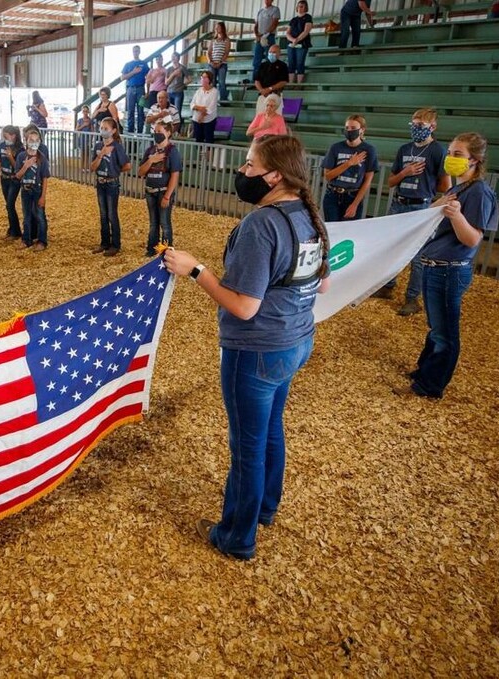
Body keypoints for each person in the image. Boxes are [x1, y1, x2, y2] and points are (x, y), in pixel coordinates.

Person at [161, 135, 330, 561]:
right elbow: (323, 283)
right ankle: (265, 508)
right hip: (297, 339)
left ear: (274, 175)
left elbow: (243, 306)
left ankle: (236, 536)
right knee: (271, 429)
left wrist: (195, 269)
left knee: (247, 448)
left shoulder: (262, 224)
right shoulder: (308, 215)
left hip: (256, 351)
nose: (242, 173)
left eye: (250, 166)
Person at [398, 134, 498, 399]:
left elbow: (472, 238)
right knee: (436, 326)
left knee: (445, 332)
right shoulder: (458, 188)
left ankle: (430, 386)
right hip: (436, 265)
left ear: (474, 161)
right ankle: (424, 371)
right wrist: (441, 205)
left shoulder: (479, 192)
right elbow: (433, 213)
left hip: (450, 268)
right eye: (451, 152)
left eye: (458, 155)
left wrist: (456, 216)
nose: (450, 158)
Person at [375, 108, 449, 315]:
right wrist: (406, 172)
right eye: (413, 125)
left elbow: (445, 184)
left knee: (417, 255)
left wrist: (428, 185)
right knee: (392, 247)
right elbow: (390, 181)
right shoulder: (404, 149)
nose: (415, 129)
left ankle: (412, 297)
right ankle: (388, 286)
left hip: (421, 205)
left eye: (420, 126)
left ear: (432, 127)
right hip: (399, 203)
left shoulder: (437, 151)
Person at [321, 115, 378, 221]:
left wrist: (355, 204)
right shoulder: (335, 147)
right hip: (332, 195)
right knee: (332, 230)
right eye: (347, 128)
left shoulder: (369, 150)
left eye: (353, 128)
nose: (349, 131)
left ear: (362, 130)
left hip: (353, 195)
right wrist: (349, 163)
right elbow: (328, 176)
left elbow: (367, 181)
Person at [139, 120, 182, 257]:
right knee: (153, 222)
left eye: (160, 132)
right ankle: (152, 248)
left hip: (163, 191)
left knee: (165, 222)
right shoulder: (150, 151)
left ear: (168, 132)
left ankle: (166, 251)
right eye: (155, 132)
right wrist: (151, 160)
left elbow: (175, 175)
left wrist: (167, 196)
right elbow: (140, 172)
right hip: (150, 190)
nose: (156, 134)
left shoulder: (172, 151)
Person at [89, 118, 130, 257]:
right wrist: (101, 155)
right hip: (100, 182)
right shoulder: (97, 146)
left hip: (112, 183)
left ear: (113, 131)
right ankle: (104, 242)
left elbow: (127, 165)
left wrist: (115, 171)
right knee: (103, 214)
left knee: (112, 214)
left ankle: (115, 244)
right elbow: (92, 167)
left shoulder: (117, 147)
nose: (103, 130)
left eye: (106, 128)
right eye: (101, 127)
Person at [15, 128, 50, 251]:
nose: (34, 142)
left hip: (37, 189)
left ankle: (42, 241)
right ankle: (26, 240)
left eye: (36, 140)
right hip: (25, 189)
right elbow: (18, 175)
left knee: (40, 216)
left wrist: (43, 196)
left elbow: (45, 177)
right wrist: (26, 166)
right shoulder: (21, 156)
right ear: (26, 140)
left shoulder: (42, 158)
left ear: (40, 141)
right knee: (26, 216)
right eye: (31, 140)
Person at [0, 125, 23, 240]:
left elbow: (18, 167)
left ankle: (15, 232)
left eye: (6, 136)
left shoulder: (20, 149)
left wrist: (10, 157)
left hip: (14, 179)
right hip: (4, 178)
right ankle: (13, 229)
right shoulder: (2, 145)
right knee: (8, 205)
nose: (4, 138)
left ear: (13, 136)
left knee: (10, 205)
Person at [120, 45, 150, 134]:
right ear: (132, 52)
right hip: (130, 89)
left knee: (141, 112)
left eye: (137, 51)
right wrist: (133, 72)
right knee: (130, 111)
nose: (135, 53)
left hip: (140, 89)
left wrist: (148, 91)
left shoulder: (144, 64)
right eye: (134, 51)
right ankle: (130, 132)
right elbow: (122, 77)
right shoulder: (128, 64)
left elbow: (148, 77)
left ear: (139, 52)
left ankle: (140, 133)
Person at [253, 44, 289, 114]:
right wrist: (262, 90)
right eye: (270, 52)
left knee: (275, 117)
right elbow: (257, 80)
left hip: (275, 95)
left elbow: (283, 81)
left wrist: (269, 89)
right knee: (260, 116)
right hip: (262, 95)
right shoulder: (262, 65)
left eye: (274, 52)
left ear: (279, 54)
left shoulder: (283, 66)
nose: (271, 54)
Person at [285, 1, 314, 84]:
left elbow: (306, 31)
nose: (300, 8)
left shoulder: (308, 17)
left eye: (302, 6)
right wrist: (292, 40)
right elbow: (287, 33)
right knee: (291, 64)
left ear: (305, 8)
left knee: (300, 63)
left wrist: (296, 40)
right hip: (291, 44)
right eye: (299, 6)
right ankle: (291, 83)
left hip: (302, 44)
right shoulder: (293, 20)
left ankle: (299, 84)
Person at [252, 0, 281, 81]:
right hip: (259, 37)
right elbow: (256, 25)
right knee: (256, 60)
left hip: (269, 36)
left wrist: (265, 34)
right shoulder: (260, 11)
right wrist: (257, 35)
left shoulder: (275, 9)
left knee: (270, 59)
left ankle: (270, 79)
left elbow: (274, 23)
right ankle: (255, 80)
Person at [191, 71, 220, 145]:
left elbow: (211, 107)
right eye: (202, 77)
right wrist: (200, 108)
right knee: (198, 140)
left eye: (205, 77)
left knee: (209, 141)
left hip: (209, 120)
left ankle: (208, 156)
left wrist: (202, 115)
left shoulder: (214, 92)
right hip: (196, 119)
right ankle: (199, 155)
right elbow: (192, 104)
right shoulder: (198, 91)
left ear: (209, 79)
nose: (202, 79)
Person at [208, 23, 232, 104]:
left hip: (222, 64)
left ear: (222, 28)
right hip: (212, 63)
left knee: (222, 82)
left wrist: (220, 62)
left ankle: (223, 99)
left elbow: (226, 53)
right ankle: (212, 100)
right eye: (216, 27)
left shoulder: (227, 40)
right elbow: (209, 52)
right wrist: (211, 61)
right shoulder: (213, 40)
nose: (216, 28)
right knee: (212, 82)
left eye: (218, 27)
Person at [166, 51, 189, 135]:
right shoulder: (169, 69)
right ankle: (170, 129)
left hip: (178, 92)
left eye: (175, 57)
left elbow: (189, 79)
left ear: (178, 58)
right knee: (169, 111)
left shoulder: (182, 68)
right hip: (169, 92)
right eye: (172, 57)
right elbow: (166, 82)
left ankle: (177, 130)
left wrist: (183, 84)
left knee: (177, 111)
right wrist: (173, 75)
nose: (173, 58)